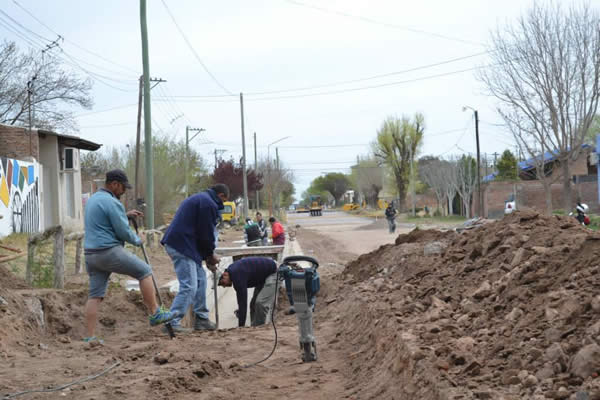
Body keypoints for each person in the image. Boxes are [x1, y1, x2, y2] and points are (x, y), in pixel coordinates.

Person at [83, 170, 177, 343]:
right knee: (144, 271)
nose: (124, 191)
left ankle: (89, 337)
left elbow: (105, 220)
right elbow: (122, 231)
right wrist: (137, 239)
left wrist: (124, 215)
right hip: (108, 251)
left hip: (91, 255)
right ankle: (155, 313)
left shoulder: (93, 200)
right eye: (123, 188)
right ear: (114, 184)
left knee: (95, 295)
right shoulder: (112, 202)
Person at [160, 184, 229, 332]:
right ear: (221, 196)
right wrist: (210, 255)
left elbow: (199, 233)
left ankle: (201, 319)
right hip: (181, 245)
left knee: (201, 279)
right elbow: (206, 234)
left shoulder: (201, 199)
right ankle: (171, 323)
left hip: (186, 245)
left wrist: (207, 257)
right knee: (189, 285)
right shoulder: (208, 204)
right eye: (224, 201)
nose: (222, 205)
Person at [217, 257, 278, 327]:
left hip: (274, 273)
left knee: (260, 303)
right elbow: (241, 301)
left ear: (225, 275)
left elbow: (242, 303)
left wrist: (240, 326)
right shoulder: (232, 270)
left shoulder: (237, 276)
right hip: (262, 277)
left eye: (222, 283)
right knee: (253, 304)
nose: (224, 286)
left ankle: (259, 328)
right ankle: (253, 326)